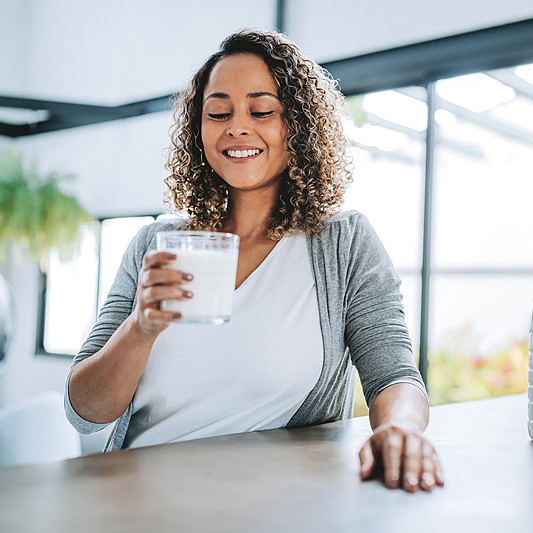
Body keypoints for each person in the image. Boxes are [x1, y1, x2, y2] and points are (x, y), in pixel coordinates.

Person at [65, 30, 443, 493]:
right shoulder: (154, 243)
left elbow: (394, 374)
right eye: (218, 112)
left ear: (298, 124)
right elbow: (84, 412)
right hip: (137, 505)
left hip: (276, 508)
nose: (237, 127)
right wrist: (140, 328)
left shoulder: (342, 243)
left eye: (261, 111)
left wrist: (400, 427)